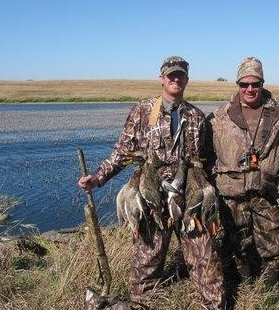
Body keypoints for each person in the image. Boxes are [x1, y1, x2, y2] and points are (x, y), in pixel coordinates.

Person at [77, 56, 224, 309]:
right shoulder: (143, 111)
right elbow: (123, 152)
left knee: (205, 259)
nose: (175, 79)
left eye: (180, 75)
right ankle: (142, 304)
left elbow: (207, 159)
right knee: (147, 261)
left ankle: (214, 304)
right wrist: (99, 177)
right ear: (162, 79)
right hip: (150, 196)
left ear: (187, 79)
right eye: (171, 75)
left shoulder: (197, 116)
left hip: (187, 196)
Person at [204, 57, 279, 287]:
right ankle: (243, 283)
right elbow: (204, 154)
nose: (250, 89)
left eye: (255, 83)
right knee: (235, 242)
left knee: (273, 241)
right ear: (238, 85)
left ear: (262, 83)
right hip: (231, 192)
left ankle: (270, 289)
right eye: (244, 84)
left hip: (265, 190)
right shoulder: (218, 117)